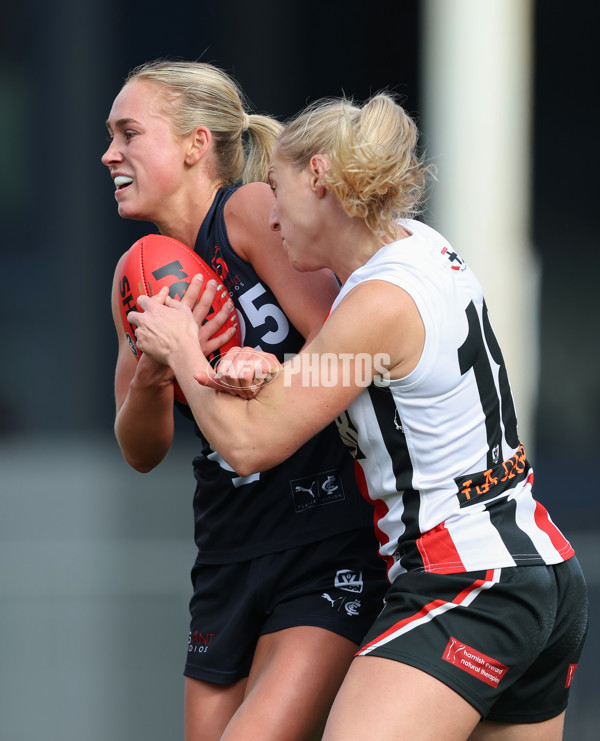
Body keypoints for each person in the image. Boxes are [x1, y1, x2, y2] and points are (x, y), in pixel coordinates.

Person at [128, 92, 590, 740]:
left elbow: (250, 444)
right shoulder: (420, 251)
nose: (273, 216)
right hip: (540, 573)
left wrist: (181, 349)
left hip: (464, 579)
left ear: (319, 181)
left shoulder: (375, 301)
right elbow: (375, 372)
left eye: (277, 191)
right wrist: (273, 370)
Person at [102, 61, 389, 741]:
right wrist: (156, 369)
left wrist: (258, 366)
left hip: (322, 532)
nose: (109, 153)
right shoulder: (135, 271)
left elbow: (343, 343)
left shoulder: (252, 213)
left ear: (196, 144)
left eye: (128, 133)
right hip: (227, 541)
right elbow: (140, 450)